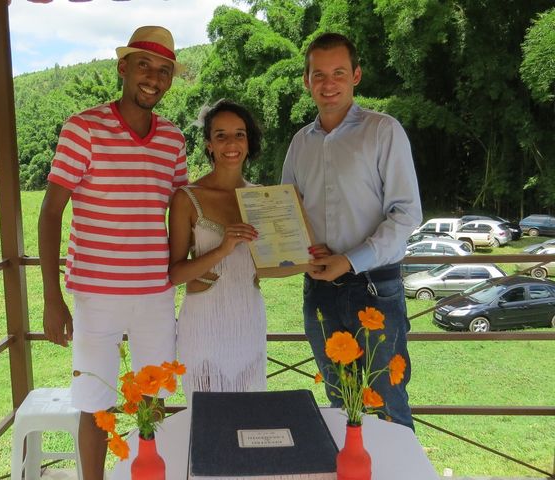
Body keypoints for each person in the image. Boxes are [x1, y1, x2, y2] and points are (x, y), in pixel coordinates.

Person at [38, 26, 187, 479]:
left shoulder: (174, 140)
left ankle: (147, 473)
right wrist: (50, 298)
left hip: (156, 295)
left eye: (164, 71)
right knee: (93, 404)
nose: (154, 78)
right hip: (95, 297)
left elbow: (180, 213)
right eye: (144, 65)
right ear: (123, 67)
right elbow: (50, 214)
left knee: (154, 399)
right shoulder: (82, 128)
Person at [281, 32, 422, 429]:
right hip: (320, 289)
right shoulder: (299, 144)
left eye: (338, 73)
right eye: (319, 75)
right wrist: (303, 249)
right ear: (307, 81)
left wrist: (350, 260)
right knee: (339, 401)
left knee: (387, 400)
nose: (328, 84)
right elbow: (289, 210)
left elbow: (407, 213)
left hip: (376, 288)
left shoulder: (383, 130)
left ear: (356, 75)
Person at [168, 99, 267, 402]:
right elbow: (175, 274)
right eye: (221, 135)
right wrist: (222, 248)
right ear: (209, 144)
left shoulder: (263, 197)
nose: (231, 144)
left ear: (249, 141)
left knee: (251, 420)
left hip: (249, 319)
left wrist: (312, 256)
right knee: (208, 421)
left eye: (239, 134)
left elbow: (277, 264)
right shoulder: (187, 198)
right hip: (204, 326)